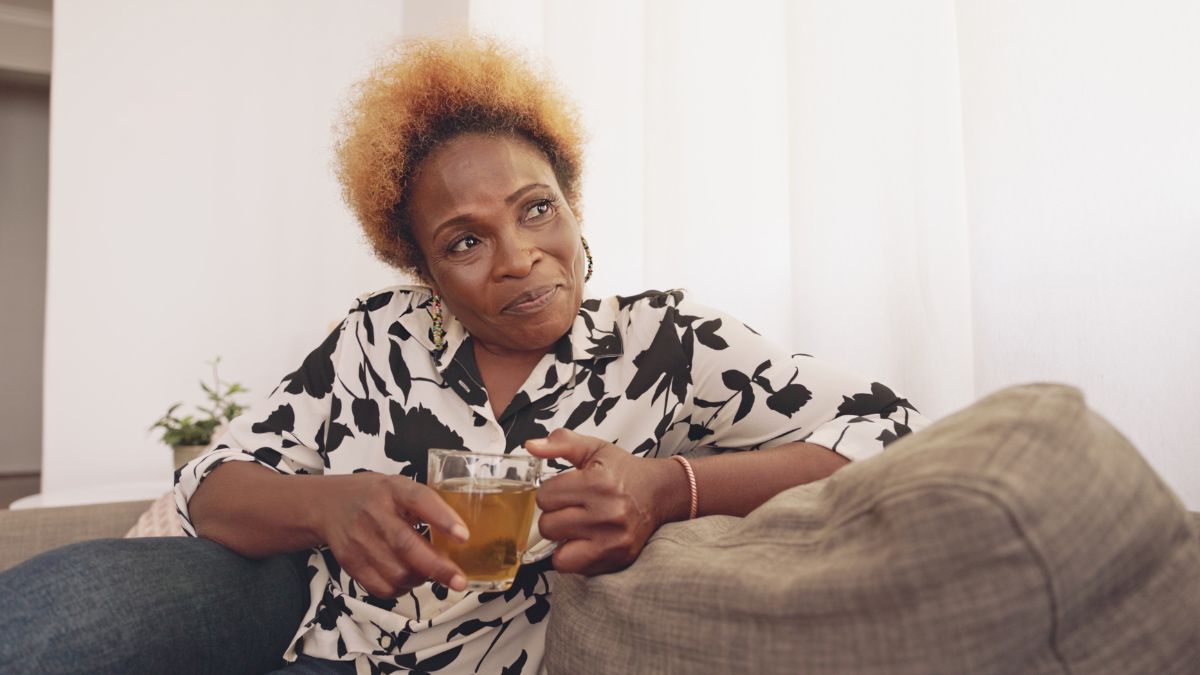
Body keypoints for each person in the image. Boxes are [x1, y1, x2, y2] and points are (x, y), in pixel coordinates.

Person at [0, 36, 926, 674]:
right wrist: (332, 504)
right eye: (464, 240)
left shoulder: (665, 343)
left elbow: (889, 428)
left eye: (536, 209)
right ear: (424, 269)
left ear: (573, 202)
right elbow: (212, 483)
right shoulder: (375, 334)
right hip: (300, 643)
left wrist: (664, 487)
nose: (521, 257)